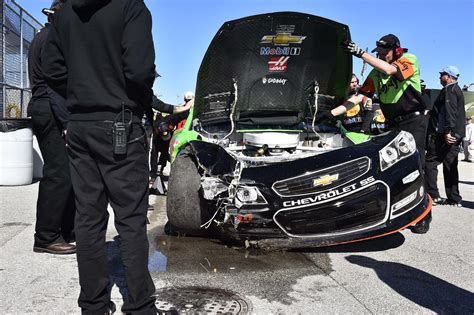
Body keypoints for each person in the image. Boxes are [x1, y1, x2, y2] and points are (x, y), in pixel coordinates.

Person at [42, 0, 157, 313]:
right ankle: (140, 306)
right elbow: (139, 70)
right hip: (120, 121)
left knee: (89, 219)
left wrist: (83, 91)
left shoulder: (63, 13)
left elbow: (51, 67)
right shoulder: (130, 6)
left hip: (80, 124)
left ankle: (93, 305)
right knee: (131, 220)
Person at [342, 34, 431, 233]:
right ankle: (396, 210)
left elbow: (392, 70)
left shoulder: (409, 60)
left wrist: (360, 53)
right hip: (393, 124)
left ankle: (423, 215)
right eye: (379, 54)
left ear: (396, 50)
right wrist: (331, 113)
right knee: (392, 167)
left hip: (414, 119)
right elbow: (359, 97)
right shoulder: (375, 73)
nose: (382, 57)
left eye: (385, 53)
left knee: (416, 165)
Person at [27, 0, 75, 255]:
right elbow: (55, 85)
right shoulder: (51, 40)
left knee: (63, 172)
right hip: (50, 107)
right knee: (59, 173)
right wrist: (67, 122)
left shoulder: (42, 37)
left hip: (45, 105)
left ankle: (64, 230)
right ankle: (46, 236)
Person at [424, 66, 466, 207]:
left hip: (444, 135)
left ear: (448, 76)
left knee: (430, 162)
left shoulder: (449, 89)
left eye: (442, 74)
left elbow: (450, 112)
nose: (439, 77)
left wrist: (448, 131)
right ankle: (454, 199)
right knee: (450, 166)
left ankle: (432, 195)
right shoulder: (457, 90)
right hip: (455, 135)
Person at [149, 92, 193, 181]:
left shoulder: (174, 117)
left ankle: (160, 170)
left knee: (164, 152)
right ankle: (154, 174)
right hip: (158, 135)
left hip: (166, 131)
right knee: (155, 152)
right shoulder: (158, 128)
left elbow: (181, 114)